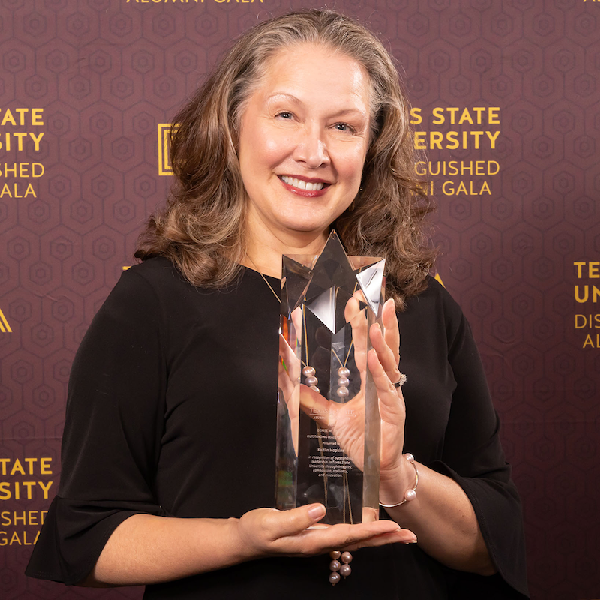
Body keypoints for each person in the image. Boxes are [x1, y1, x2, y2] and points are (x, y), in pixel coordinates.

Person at [26, 9, 528, 599]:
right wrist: (241, 539)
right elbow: (87, 541)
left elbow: (491, 548)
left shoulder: (419, 304)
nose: (313, 152)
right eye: (286, 115)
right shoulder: (153, 302)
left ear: (371, 148)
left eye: (344, 127)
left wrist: (395, 474)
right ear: (232, 125)